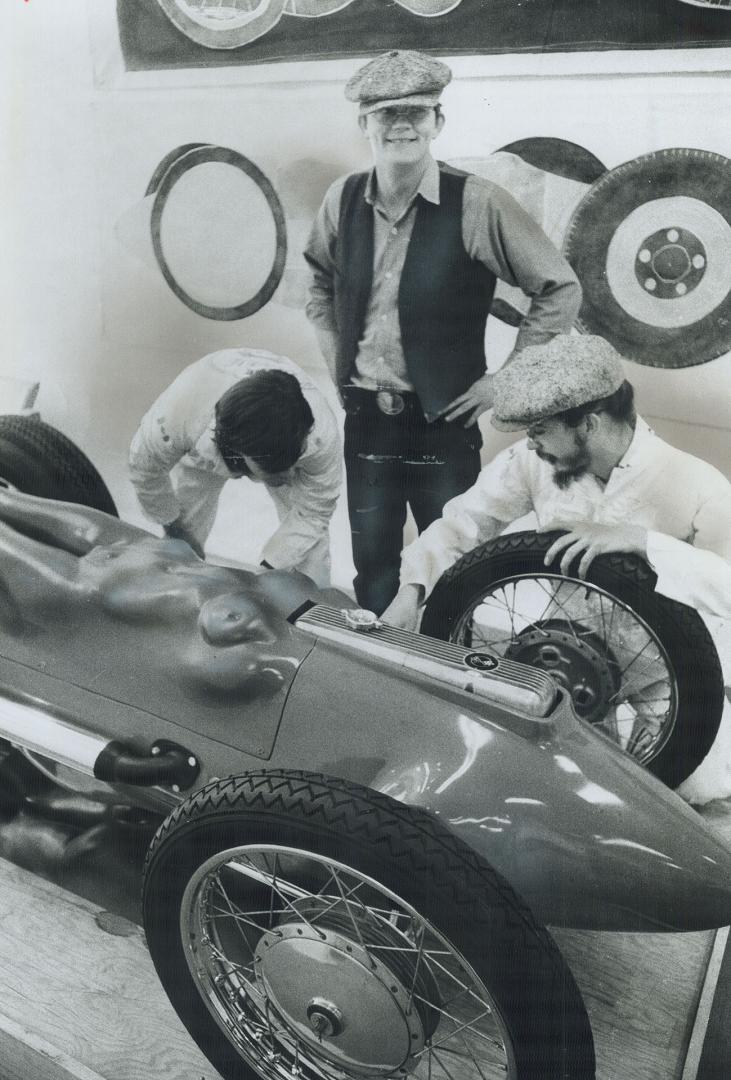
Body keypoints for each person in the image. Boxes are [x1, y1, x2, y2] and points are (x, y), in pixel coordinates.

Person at [304, 49, 582, 614]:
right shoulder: (342, 199)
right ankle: (381, 681)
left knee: (450, 571)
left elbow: (559, 287)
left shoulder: (476, 202)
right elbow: (317, 286)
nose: (401, 124)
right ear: (365, 124)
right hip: (366, 424)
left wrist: (503, 384)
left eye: (416, 111)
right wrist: (341, 373)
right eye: (386, 114)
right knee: (374, 565)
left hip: (442, 427)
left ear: (438, 121)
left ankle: (441, 672)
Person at [383, 333, 731, 631]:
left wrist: (641, 541)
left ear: (589, 425)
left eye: (540, 431)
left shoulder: (698, 484)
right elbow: (465, 523)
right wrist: (411, 592)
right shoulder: (533, 461)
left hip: (668, 678)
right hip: (563, 658)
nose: (531, 443)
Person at [129, 348, 342, 588]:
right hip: (203, 424)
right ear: (241, 453)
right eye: (276, 469)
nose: (287, 475)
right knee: (183, 532)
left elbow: (315, 512)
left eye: (291, 463)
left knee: (310, 547)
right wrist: (173, 526)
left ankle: (312, 607)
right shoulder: (177, 418)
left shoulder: (321, 436)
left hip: (282, 419)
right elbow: (145, 472)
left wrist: (267, 571)